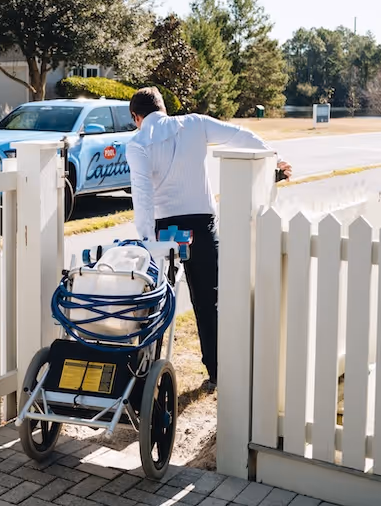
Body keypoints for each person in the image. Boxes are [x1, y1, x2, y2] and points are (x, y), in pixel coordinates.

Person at [125, 88, 291, 393]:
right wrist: (275, 159)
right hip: (202, 224)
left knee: (154, 300)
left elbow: (142, 195)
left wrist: (148, 241)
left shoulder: (137, 143)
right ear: (163, 108)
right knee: (208, 301)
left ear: (137, 118)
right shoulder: (194, 123)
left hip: (163, 229)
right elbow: (242, 136)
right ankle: (217, 372)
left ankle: (144, 375)